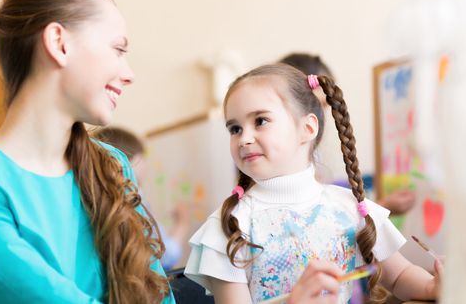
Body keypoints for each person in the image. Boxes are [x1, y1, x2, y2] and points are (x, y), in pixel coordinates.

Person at [0, 0, 174, 304]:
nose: (129, 74)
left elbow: (156, 294)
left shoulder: (112, 165)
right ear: (59, 43)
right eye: (118, 50)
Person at [184, 64, 441, 303]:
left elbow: (399, 276)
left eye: (260, 121)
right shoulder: (229, 225)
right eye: (235, 128)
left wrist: (433, 286)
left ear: (307, 128)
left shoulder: (348, 208)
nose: (244, 138)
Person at [279, 53, 416, 216]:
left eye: (325, 106)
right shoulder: (282, 158)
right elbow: (314, 223)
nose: (321, 116)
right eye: (316, 106)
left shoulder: (309, 149)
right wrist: (382, 207)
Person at [93, 126, 190, 270]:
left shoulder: (96, 196)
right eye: (143, 160)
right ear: (135, 161)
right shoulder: (133, 198)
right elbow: (164, 256)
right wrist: (183, 223)